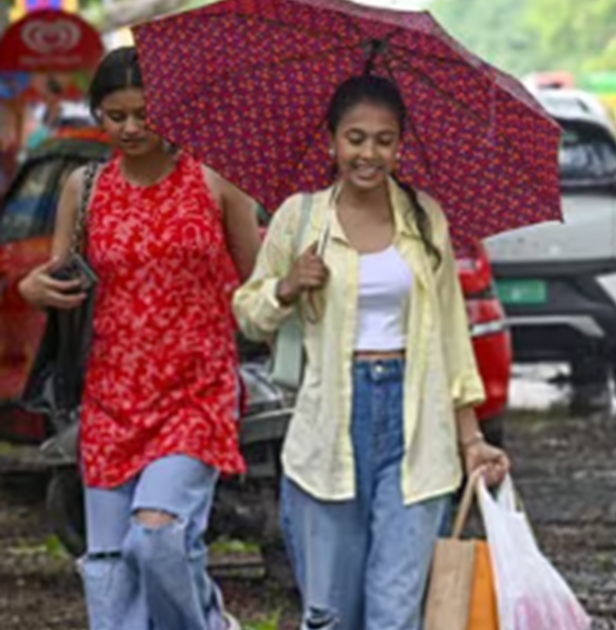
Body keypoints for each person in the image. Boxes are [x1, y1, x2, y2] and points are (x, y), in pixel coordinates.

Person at [233, 74, 510, 630]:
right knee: (331, 615)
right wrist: (287, 286)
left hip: (418, 425)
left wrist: (471, 438)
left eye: (384, 140)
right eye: (355, 138)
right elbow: (247, 310)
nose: (369, 153)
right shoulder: (300, 217)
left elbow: (453, 336)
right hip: (327, 427)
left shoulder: (425, 217)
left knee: (392, 613)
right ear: (333, 140)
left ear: (401, 144)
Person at [17, 47, 260, 630]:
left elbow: (257, 287)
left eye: (143, 114)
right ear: (98, 113)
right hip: (110, 397)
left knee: (158, 539)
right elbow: (62, 280)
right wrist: (32, 288)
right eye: (114, 115)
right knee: (108, 568)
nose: (129, 128)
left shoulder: (214, 178)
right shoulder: (85, 186)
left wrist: (295, 280)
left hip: (195, 394)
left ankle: (207, 621)